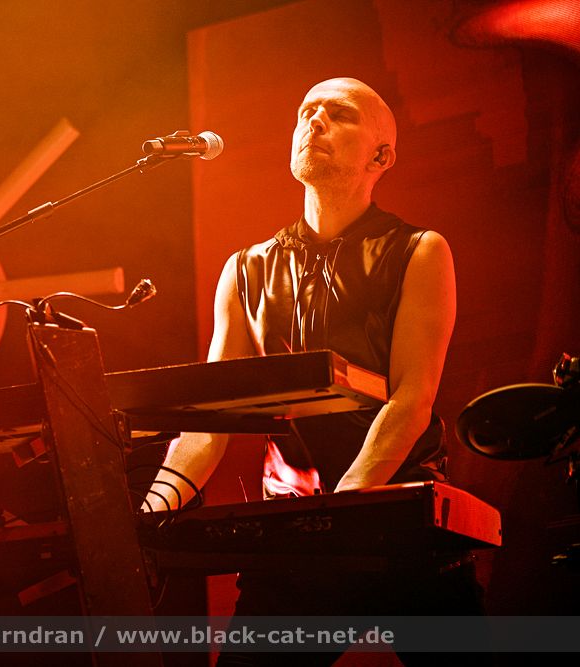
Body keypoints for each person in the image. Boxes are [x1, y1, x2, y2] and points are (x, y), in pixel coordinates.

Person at [144, 78, 485, 666]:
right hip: (296, 538)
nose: (315, 121)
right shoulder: (246, 270)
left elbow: (412, 398)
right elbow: (209, 421)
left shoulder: (420, 250)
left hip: (403, 526)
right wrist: (151, 511)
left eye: (339, 113)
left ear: (382, 155)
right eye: (306, 111)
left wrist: (342, 510)